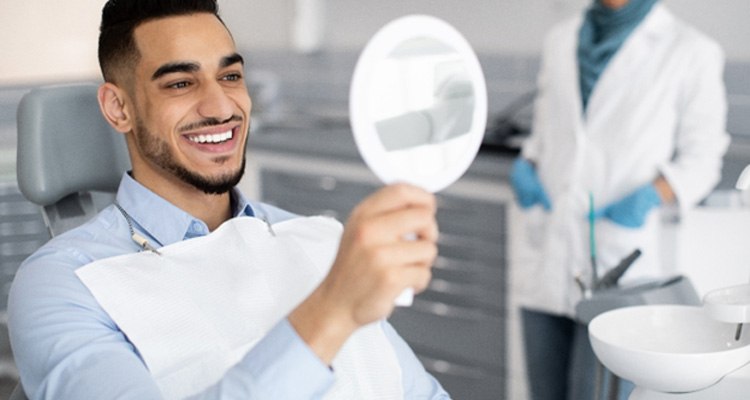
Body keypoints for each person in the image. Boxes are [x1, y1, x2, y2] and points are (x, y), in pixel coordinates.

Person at [7, 1, 449, 399]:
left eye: (230, 76)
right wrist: (331, 310)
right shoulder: (63, 284)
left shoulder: (317, 238)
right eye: (180, 83)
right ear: (119, 109)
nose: (220, 107)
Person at [510, 0, 729, 399]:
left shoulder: (691, 50)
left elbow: (703, 159)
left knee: (594, 392)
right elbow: (546, 136)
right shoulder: (561, 40)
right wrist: (527, 164)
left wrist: (651, 196)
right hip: (549, 252)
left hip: (622, 261)